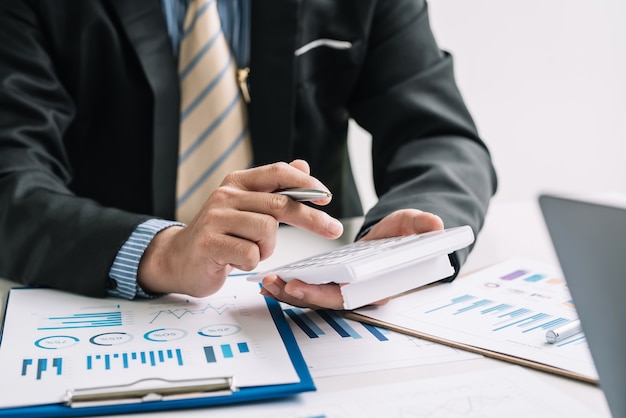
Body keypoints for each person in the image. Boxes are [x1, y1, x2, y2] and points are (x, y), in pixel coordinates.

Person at [0, 0, 497, 310]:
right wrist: (162, 251)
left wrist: (400, 251)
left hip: (311, 297)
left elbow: (440, 135)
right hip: (102, 293)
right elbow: (10, 176)